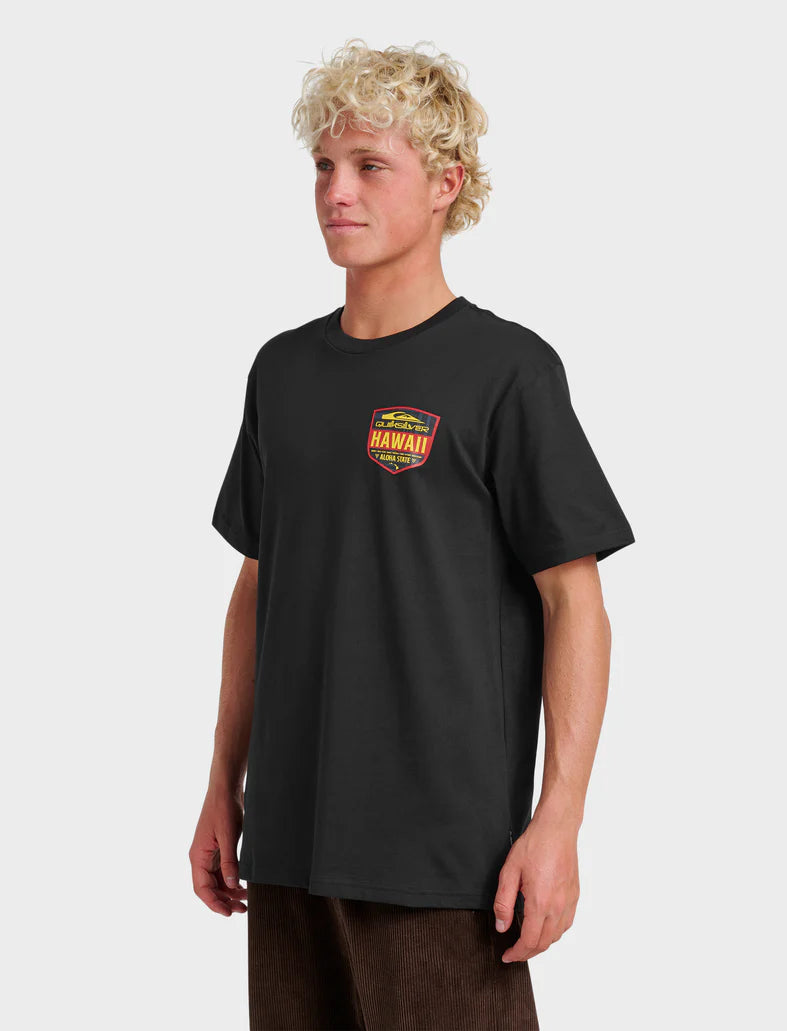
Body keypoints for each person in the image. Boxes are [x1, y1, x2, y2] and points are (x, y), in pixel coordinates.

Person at [189, 37, 635, 1030]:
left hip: (441, 854)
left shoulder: (507, 371)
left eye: (369, 166)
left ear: (445, 184)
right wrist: (223, 782)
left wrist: (558, 820)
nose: (336, 192)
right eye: (323, 166)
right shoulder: (280, 372)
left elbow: (575, 601)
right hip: (290, 847)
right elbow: (259, 584)